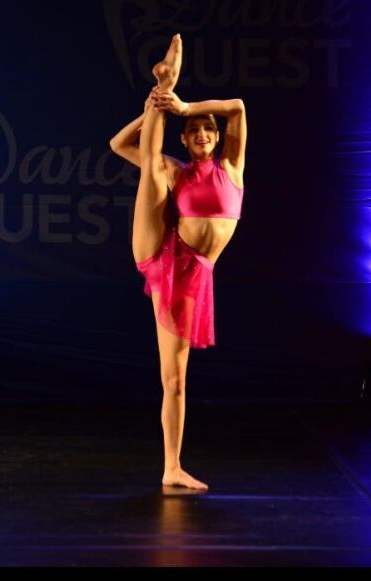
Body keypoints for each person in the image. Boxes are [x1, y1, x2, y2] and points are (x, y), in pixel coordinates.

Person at [109, 34, 247, 490]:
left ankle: (173, 466)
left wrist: (183, 106)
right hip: (165, 255)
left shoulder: (232, 168)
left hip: (196, 276)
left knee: (175, 381)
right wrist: (158, 104)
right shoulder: (177, 169)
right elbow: (117, 144)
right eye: (194, 133)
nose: (204, 135)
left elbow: (238, 108)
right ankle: (163, 81)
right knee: (151, 167)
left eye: (207, 130)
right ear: (187, 143)